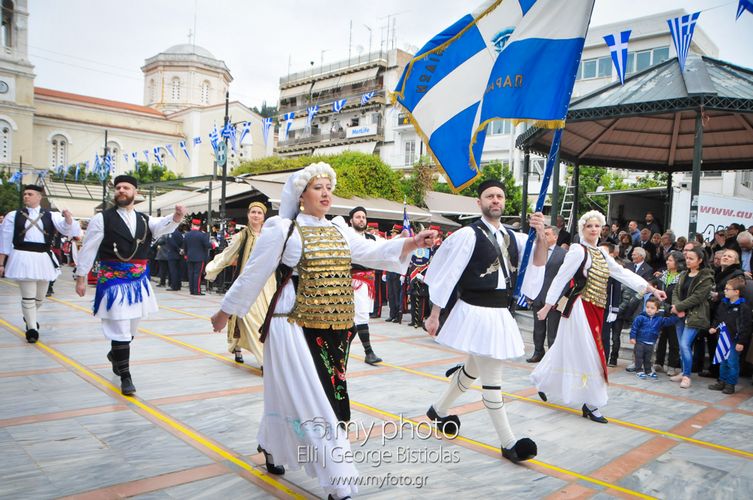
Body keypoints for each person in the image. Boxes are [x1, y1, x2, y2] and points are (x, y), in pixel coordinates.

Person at [209, 162, 436, 500]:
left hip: (335, 329)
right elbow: (255, 272)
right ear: (301, 195)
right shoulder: (282, 228)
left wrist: (411, 242)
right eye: (318, 187)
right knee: (316, 403)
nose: (327, 193)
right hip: (291, 324)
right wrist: (225, 312)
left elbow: (371, 252)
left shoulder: (339, 229)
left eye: (329, 187)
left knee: (305, 396)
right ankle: (339, 482)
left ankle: (272, 443)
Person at [423, 179, 548, 463]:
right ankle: (509, 443)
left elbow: (537, 263)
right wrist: (434, 314)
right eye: (490, 196)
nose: (495, 200)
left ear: (504, 203)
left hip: (499, 313)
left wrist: (540, 234)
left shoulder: (515, 237)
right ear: (479, 203)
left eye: (500, 196)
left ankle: (438, 410)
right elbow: (448, 274)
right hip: (476, 312)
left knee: (471, 371)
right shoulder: (468, 234)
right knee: (492, 380)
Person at [531, 210, 666, 424]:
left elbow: (622, 273)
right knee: (592, 355)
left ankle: (542, 379)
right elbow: (560, 278)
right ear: (582, 229)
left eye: (596, 226)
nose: (593, 229)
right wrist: (548, 306)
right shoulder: (577, 251)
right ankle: (593, 403)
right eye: (589, 226)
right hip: (580, 308)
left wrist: (650, 288)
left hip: (597, 309)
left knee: (568, 348)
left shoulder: (602, 253)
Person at [75, 175, 185, 395]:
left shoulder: (145, 220)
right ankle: (126, 376)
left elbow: (164, 226)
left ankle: (116, 354)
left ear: (136, 192)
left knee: (131, 329)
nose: (121, 191)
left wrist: (177, 216)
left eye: (126, 187)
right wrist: (81, 275)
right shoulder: (101, 219)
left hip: (137, 282)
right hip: (113, 281)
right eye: (118, 188)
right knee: (121, 328)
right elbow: (88, 248)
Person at [0, 185, 81, 343]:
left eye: (30, 194)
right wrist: (1, 263)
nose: (26, 197)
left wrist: (68, 218)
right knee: (28, 296)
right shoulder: (12, 215)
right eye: (25, 194)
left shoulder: (52, 215)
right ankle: (32, 329)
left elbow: (67, 229)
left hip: (43, 257)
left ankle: (29, 315)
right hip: (22, 256)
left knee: (40, 298)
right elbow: (4, 241)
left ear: (39, 197)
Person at [205, 202, 274, 366]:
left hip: (268, 283)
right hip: (248, 282)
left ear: (264, 217)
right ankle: (264, 359)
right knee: (251, 317)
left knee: (263, 318)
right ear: (249, 215)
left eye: (259, 213)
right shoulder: (241, 236)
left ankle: (236, 345)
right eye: (253, 212)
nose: (256, 215)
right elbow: (227, 255)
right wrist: (212, 268)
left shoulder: (270, 235)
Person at [670, 247, 715, 389]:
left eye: (691, 259)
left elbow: (697, 297)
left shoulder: (706, 277)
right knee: (681, 347)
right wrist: (677, 308)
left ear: (700, 260)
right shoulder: (683, 274)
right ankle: (683, 371)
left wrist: (679, 307)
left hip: (695, 316)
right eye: (687, 258)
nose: (687, 261)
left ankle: (687, 376)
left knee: (685, 345)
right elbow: (676, 292)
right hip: (680, 315)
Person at [347, 206, 383, 365]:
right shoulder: (347, 236)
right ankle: (369, 352)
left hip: (369, 282)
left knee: (358, 317)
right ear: (351, 220)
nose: (361, 219)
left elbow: (387, 247)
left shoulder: (372, 238)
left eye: (363, 217)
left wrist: (403, 239)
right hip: (355, 281)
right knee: (361, 316)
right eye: (357, 217)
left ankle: (342, 348)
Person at [527, 225, 566, 363]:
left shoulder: (563, 254)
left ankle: (552, 356)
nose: (544, 236)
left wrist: (560, 298)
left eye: (547, 234)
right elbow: (531, 274)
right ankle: (538, 352)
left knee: (553, 330)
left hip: (554, 299)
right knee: (538, 328)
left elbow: (566, 278)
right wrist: (529, 295)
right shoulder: (536, 251)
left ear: (555, 237)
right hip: (537, 296)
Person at [707, 277, 751, 394]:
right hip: (722, 338)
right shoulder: (723, 304)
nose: (725, 291)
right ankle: (722, 381)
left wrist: (741, 342)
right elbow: (718, 318)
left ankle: (730, 384)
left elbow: (746, 327)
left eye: (727, 289)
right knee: (723, 361)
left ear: (736, 292)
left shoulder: (743, 308)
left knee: (732, 362)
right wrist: (713, 327)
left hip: (734, 340)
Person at [629, 297, 679, 379]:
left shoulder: (659, 320)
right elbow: (634, 328)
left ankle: (648, 371)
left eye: (652, 308)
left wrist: (677, 316)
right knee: (639, 357)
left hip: (651, 343)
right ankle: (639, 370)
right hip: (640, 342)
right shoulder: (640, 317)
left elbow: (669, 321)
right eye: (647, 307)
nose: (649, 310)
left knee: (648, 358)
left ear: (657, 310)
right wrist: (632, 337)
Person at [653, 251, 684, 376]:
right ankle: (658, 363)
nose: (667, 262)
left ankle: (672, 365)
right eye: (667, 260)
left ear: (677, 263)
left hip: (674, 311)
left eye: (670, 260)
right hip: (662, 311)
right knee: (662, 338)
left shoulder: (682, 277)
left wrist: (674, 308)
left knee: (673, 339)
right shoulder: (663, 275)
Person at [599, 243, 624, 367]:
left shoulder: (613, 267)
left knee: (604, 335)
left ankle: (604, 358)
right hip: (593, 304)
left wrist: (614, 310)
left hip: (606, 306)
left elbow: (616, 289)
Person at [182, 218, 211, 295]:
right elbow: (207, 245)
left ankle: (191, 290)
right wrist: (213, 245)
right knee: (197, 275)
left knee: (191, 273)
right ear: (199, 226)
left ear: (192, 225)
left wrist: (185, 254)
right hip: (199, 258)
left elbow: (184, 246)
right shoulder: (202, 235)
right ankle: (197, 290)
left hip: (189, 257)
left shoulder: (187, 235)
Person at [385, 224, 404, 323]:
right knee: (391, 295)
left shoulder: (401, 244)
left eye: (394, 232)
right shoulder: (391, 243)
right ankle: (392, 314)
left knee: (396, 294)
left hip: (396, 271)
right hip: (389, 270)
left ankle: (397, 315)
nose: (392, 234)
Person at [164, 226, 184, 291]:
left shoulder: (171, 233)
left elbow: (172, 243)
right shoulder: (179, 234)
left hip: (173, 254)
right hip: (179, 255)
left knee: (173, 271)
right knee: (178, 271)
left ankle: (174, 286)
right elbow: (182, 242)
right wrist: (181, 250)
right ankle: (178, 285)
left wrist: (178, 249)